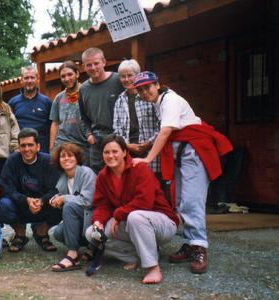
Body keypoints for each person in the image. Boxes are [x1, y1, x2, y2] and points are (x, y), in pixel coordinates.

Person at [131, 71, 233, 274]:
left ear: (157, 85)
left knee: (191, 200)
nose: (144, 92)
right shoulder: (159, 102)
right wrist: (148, 143)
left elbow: (167, 131)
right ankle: (189, 242)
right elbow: (168, 129)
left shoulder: (170, 100)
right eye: (140, 89)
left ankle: (199, 246)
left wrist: (148, 158)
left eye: (148, 87)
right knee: (179, 200)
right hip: (181, 153)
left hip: (194, 151)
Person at [85, 134, 179, 284]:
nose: (111, 156)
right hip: (131, 220)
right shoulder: (103, 176)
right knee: (91, 234)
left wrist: (117, 215)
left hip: (162, 222)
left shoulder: (140, 168)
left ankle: (153, 268)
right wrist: (98, 221)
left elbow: (144, 202)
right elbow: (103, 205)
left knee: (135, 217)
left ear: (124, 152)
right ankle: (135, 255)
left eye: (115, 151)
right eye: (106, 152)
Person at [0, 128, 61, 252]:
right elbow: (6, 187)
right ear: (19, 147)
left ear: (38, 146)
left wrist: (42, 201)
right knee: (3, 205)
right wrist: (26, 200)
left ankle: (42, 232)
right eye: (23, 145)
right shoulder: (12, 161)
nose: (27, 149)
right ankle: (20, 233)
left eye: (30, 145)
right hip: (21, 204)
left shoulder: (48, 161)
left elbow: (56, 188)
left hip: (43, 205)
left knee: (62, 202)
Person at [49, 143, 96, 272]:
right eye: (62, 156)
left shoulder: (86, 173)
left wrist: (63, 198)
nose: (66, 159)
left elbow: (87, 201)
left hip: (93, 218)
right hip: (79, 217)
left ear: (77, 158)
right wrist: (56, 199)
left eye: (70, 156)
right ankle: (89, 248)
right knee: (58, 233)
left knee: (69, 206)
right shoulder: (63, 179)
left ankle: (73, 255)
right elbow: (67, 196)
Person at [78, 47, 124, 173]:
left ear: (104, 62)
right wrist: (88, 135)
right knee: (98, 178)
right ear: (84, 67)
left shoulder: (118, 80)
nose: (93, 67)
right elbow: (83, 118)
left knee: (119, 175)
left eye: (96, 63)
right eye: (89, 65)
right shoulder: (83, 89)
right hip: (97, 142)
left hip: (118, 138)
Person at [113, 59, 160, 175]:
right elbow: (117, 128)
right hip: (129, 152)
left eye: (130, 75)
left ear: (137, 75)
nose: (126, 79)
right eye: (122, 76)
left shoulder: (149, 96)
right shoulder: (119, 100)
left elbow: (161, 124)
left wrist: (149, 142)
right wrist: (127, 145)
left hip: (151, 150)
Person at [49, 61, 89, 156]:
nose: (67, 79)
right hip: (62, 143)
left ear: (77, 74)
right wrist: (52, 147)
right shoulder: (58, 97)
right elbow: (55, 123)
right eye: (63, 76)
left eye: (70, 74)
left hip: (83, 145)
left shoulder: (87, 93)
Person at [8, 66, 52, 153]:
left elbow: (53, 126)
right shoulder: (12, 103)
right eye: (26, 78)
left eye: (32, 77)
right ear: (21, 80)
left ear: (37, 79)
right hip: (21, 149)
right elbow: (8, 127)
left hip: (42, 150)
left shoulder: (47, 102)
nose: (29, 81)